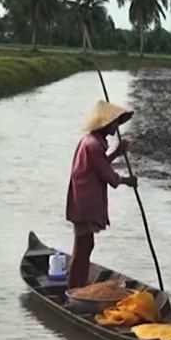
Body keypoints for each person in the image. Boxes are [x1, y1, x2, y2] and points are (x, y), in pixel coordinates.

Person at [65, 100, 138, 289]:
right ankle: (74, 289)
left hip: (82, 201)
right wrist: (127, 181)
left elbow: (99, 165)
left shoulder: (92, 142)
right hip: (85, 203)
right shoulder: (93, 145)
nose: (116, 126)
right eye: (114, 123)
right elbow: (110, 177)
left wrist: (116, 153)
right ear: (105, 124)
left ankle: (78, 285)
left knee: (85, 246)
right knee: (82, 248)